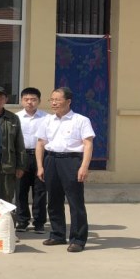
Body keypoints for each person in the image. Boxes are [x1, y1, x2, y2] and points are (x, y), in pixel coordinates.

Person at [36, 87, 94, 252]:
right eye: (52, 99)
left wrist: (84, 166)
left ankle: (78, 239)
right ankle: (57, 234)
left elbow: (88, 144)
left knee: (75, 201)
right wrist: (40, 166)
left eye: (58, 100)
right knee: (53, 200)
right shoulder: (47, 120)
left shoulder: (81, 120)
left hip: (71, 161)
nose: (54, 103)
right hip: (51, 160)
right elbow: (40, 143)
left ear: (68, 101)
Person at [16, 87, 48, 233]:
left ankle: (39, 222)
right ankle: (22, 221)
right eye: (26, 99)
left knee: (40, 191)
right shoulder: (16, 117)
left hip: (41, 156)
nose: (30, 102)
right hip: (22, 156)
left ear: (39, 101)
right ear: (21, 101)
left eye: (33, 99)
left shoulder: (47, 118)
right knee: (20, 190)